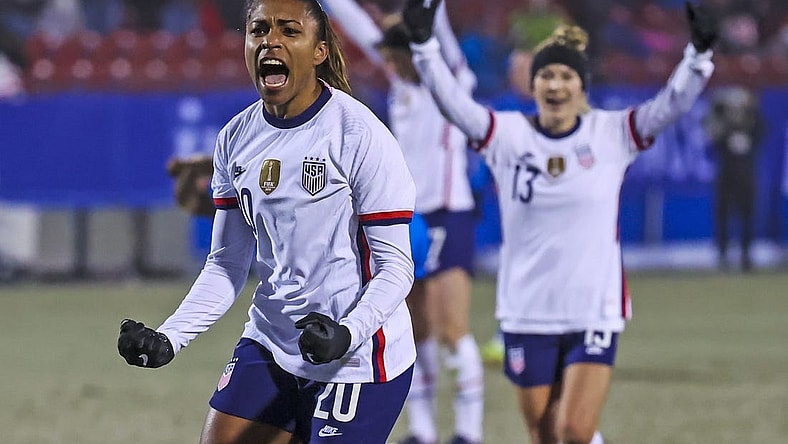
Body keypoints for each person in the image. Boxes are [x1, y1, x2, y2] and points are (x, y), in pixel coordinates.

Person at [401, 1, 718, 443]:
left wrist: (698, 57)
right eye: (547, 76)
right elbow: (453, 105)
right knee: (546, 434)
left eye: (566, 76)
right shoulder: (506, 136)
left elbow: (671, 105)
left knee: (574, 429)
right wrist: (423, 48)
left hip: (593, 309)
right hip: (527, 312)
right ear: (534, 86)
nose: (556, 84)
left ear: (582, 88)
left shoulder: (612, 134)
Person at [117, 0, 418, 443]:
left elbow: (396, 268)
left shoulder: (359, 135)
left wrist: (346, 334)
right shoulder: (235, 139)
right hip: (271, 343)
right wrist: (169, 337)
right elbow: (227, 264)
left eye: (288, 31)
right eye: (258, 30)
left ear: (318, 51)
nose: (269, 42)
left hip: (357, 358)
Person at [321, 1, 484, 443]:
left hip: (448, 212)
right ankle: (424, 430)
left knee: (454, 327)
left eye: (395, 57)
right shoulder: (400, 81)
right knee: (415, 329)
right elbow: (358, 27)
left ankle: (468, 431)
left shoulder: (447, 78)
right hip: (404, 218)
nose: (389, 64)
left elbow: (439, 29)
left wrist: (429, 12)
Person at [703, 85, 763, 272]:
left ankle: (746, 256)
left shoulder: (754, 122)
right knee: (724, 216)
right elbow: (711, 133)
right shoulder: (722, 122)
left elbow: (761, 131)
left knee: (747, 216)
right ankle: (723, 255)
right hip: (727, 174)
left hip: (746, 175)